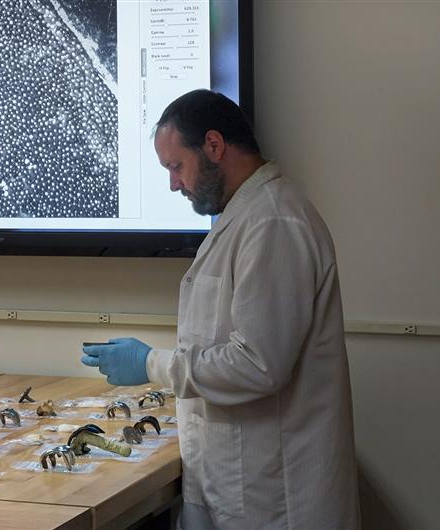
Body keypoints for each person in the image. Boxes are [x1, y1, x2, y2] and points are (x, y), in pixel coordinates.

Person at [80, 90, 359, 529]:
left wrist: (152, 363)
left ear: (214, 146)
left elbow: (257, 365)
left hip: (274, 497)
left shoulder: (273, 223)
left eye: (177, 166)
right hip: (240, 482)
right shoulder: (244, 217)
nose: (174, 183)